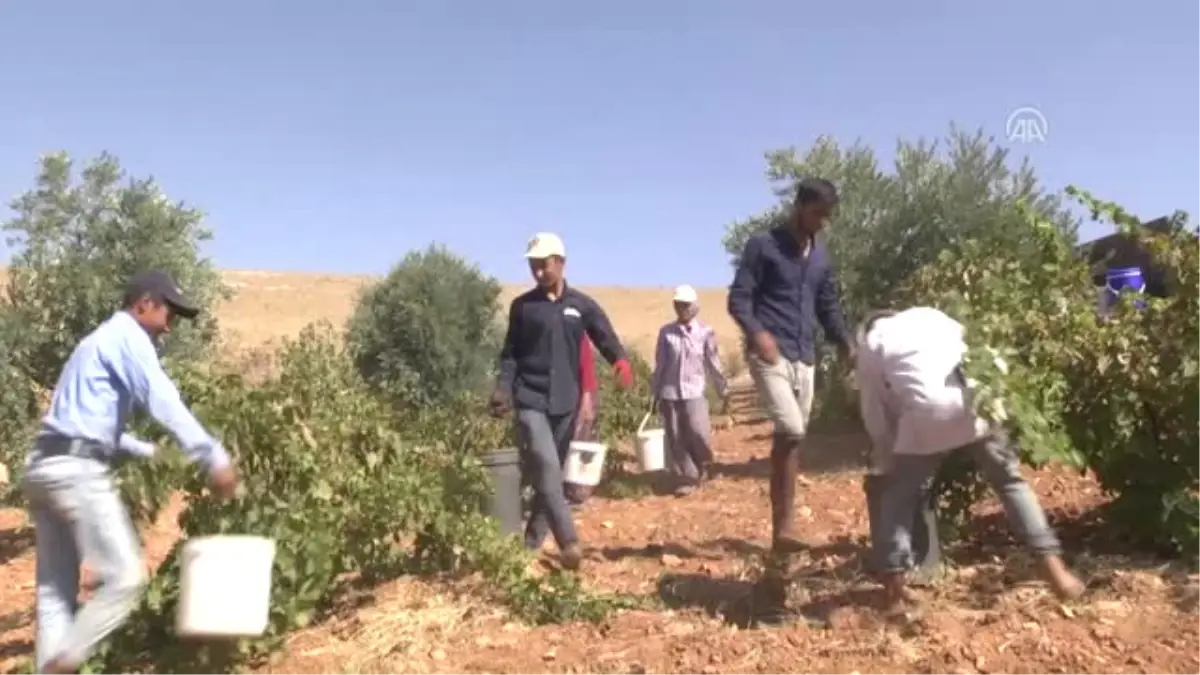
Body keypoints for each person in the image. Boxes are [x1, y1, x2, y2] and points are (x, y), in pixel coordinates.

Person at [25, 270, 240, 675]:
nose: (170, 326)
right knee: (125, 579)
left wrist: (149, 451)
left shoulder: (91, 345)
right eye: (168, 313)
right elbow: (161, 398)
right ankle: (63, 664)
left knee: (55, 597)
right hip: (77, 472)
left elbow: (91, 424)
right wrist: (213, 457)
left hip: (43, 467)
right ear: (144, 304)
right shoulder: (128, 337)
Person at [855, 306, 1085, 614]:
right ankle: (1057, 573)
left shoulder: (872, 343)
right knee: (1010, 483)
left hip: (928, 412)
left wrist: (886, 456)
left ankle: (896, 595)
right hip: (978, 399)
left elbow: (875, 415)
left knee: (898, 497)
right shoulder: (930, 316)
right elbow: (978, 352)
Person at [490, 232, 633, 570]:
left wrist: (620, 361)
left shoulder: (581, 305)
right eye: (533, 267)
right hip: (530, 399)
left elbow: (604, 336)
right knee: (547, 465)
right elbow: (510, 355)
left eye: (544, 265)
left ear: (561, 263)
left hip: (565, 403)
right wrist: (502, 389)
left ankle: (529, 544)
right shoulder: (523, 308)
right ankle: (569, 541)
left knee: (547, 476)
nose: (538, 273)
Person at [727, 177, 855, 554]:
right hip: (771, 353)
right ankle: (785, 525)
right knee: (792, 426)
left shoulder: (820, 256)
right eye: (817, 213)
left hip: (805, 358)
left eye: (827, 216)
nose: (822, 222)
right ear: (799, 206)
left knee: (791, 439)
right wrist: (757, 333)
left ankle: (783, 527)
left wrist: (845, 341)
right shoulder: (763, 246)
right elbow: (739, 299)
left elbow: (827, 306)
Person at [856, 310, 941, 586]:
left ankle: (893, 563)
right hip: (939, 420)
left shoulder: (870, 352)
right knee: (920, 486)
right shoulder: (919, 340)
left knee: (889, 487)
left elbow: (873, 414)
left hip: (908, 425)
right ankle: (927, 561)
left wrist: (883, 447)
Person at [651, 284, 727, 496]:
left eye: (685, 305)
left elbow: (713, 362)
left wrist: (722, 388)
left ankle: (705, 465)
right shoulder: (666, 333)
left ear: (695, 307)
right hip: (670, 391)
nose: (681, 309)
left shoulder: (705, 332)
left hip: (694, 391)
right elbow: (661, 363)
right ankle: (686, 478)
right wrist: (655, 391)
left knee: (697, 431)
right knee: (675, 435)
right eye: (678, 304)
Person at [564, 337, 599, 508]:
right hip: (567, 394)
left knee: (579, 442)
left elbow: (586, 367)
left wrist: (586, 398)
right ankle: (568, 491)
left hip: (581, 394)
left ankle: (578, 493)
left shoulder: (575, 333)